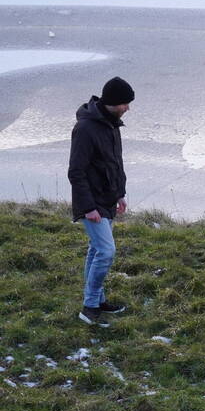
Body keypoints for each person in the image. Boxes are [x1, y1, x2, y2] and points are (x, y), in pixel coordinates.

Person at [68, 77, 135, 327]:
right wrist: (88, 208)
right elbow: (76, 171)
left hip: (107, 198)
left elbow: (114, 163)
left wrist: (119, 194)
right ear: (113, 102)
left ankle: (97, 300)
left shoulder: (111, 124)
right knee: (106, 252)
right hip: (92, 202)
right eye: (125, 103)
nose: (128, 108)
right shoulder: (85, 129)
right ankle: (89, 306)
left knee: (97, 250)